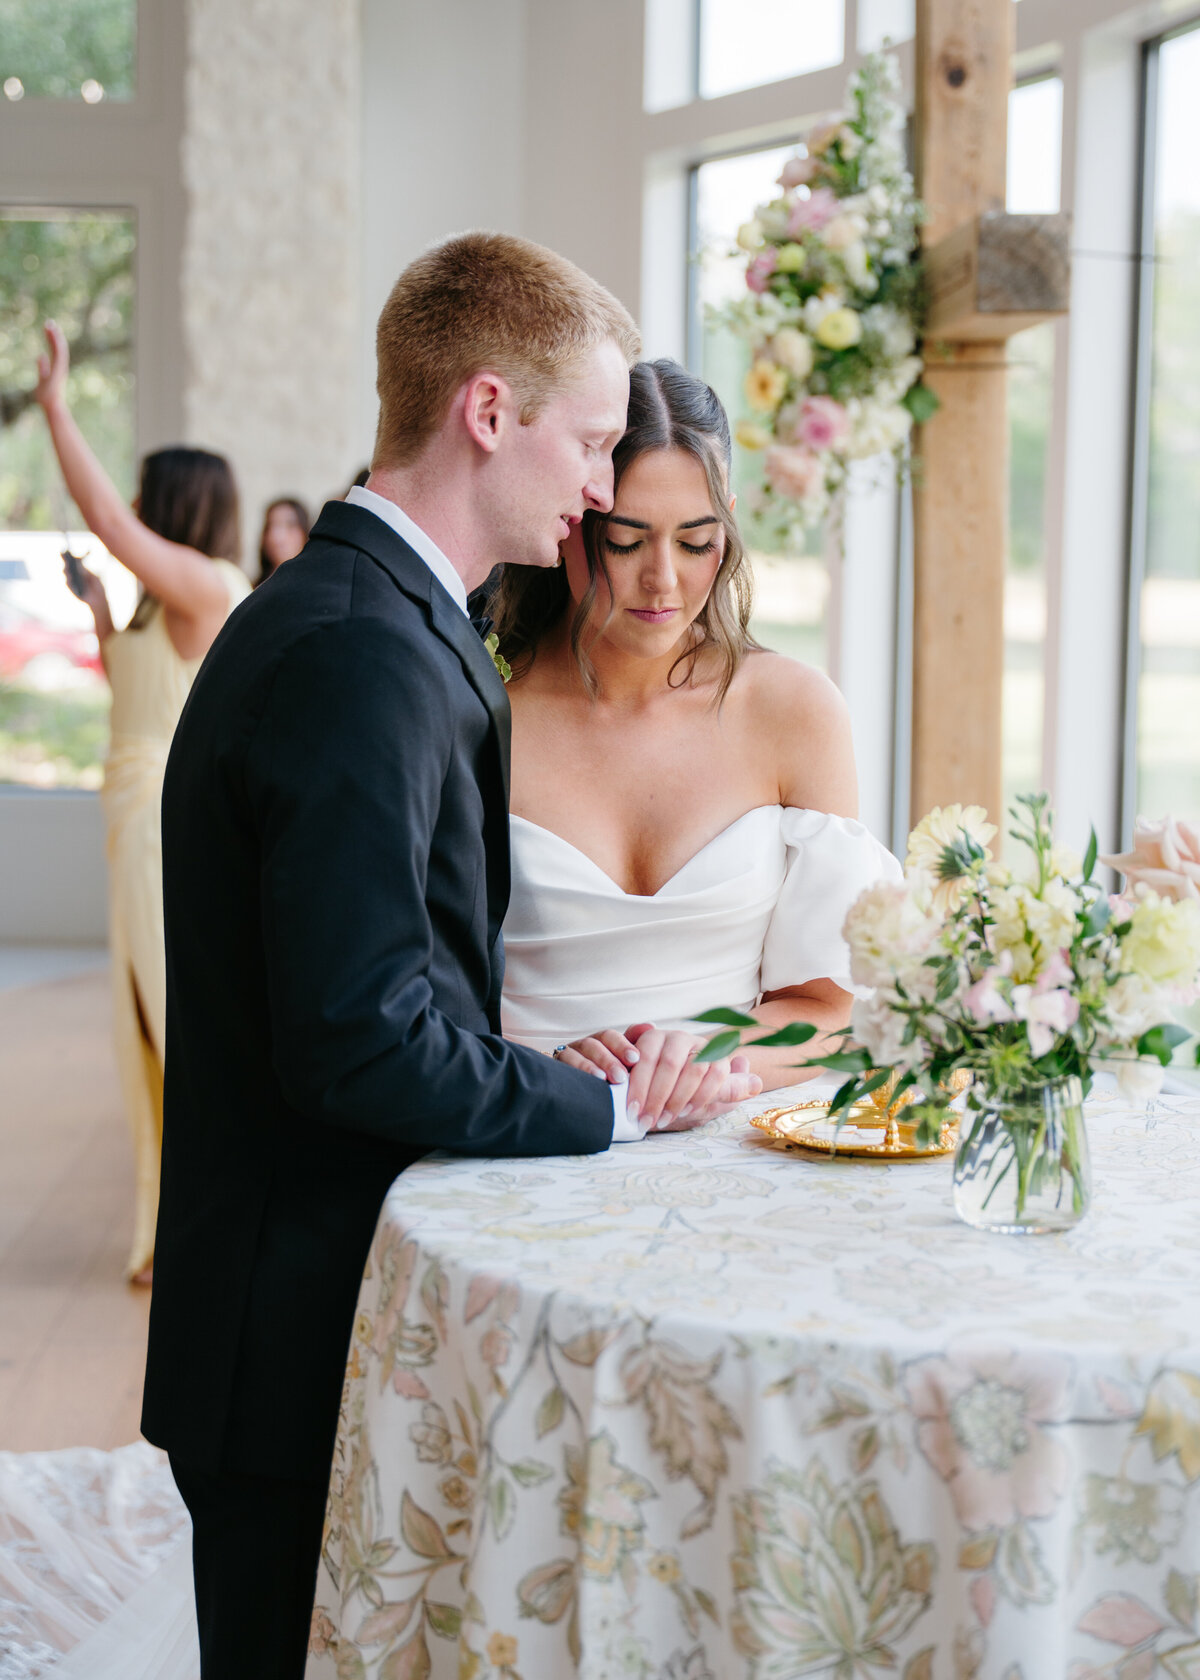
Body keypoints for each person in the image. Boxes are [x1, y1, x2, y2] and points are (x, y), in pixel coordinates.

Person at [140, 234, 760, 1680]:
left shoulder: (380, 616)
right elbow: (357, 1037)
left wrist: (525, 1062)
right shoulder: (360, 649)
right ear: (489, 411)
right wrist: (606, 1105)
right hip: (289, 1338)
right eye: (591, 442)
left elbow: (380, 984)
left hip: (310, 1304)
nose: (601, 488)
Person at [493, 357, 902, 1107]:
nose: (664, 580)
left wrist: (703, 1060)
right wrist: (540, 1070)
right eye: (626, 540)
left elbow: (830, 1011)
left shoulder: (792, 712)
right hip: (522, 1121)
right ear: (570, 519)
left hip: (727, 1143)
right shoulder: (481, 713)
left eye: (695, 541)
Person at [33, 320, 250, 1286]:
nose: (126, 511)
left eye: (141, 498)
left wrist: (55, 408)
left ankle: (217, 1220)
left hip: (167, 824)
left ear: (172, 508)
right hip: (131, 820)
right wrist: (96, 610)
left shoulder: (208, 585)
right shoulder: (160, 605)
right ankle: (171, 1227)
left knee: (176, 1021)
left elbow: (113, 528)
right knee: (141, 1025)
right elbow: (134, 681)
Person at [254, 496, 310, 585]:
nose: (277, 536)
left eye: (290, 525)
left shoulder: (315, 584)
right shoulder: (251, 588)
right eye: (270, 526)